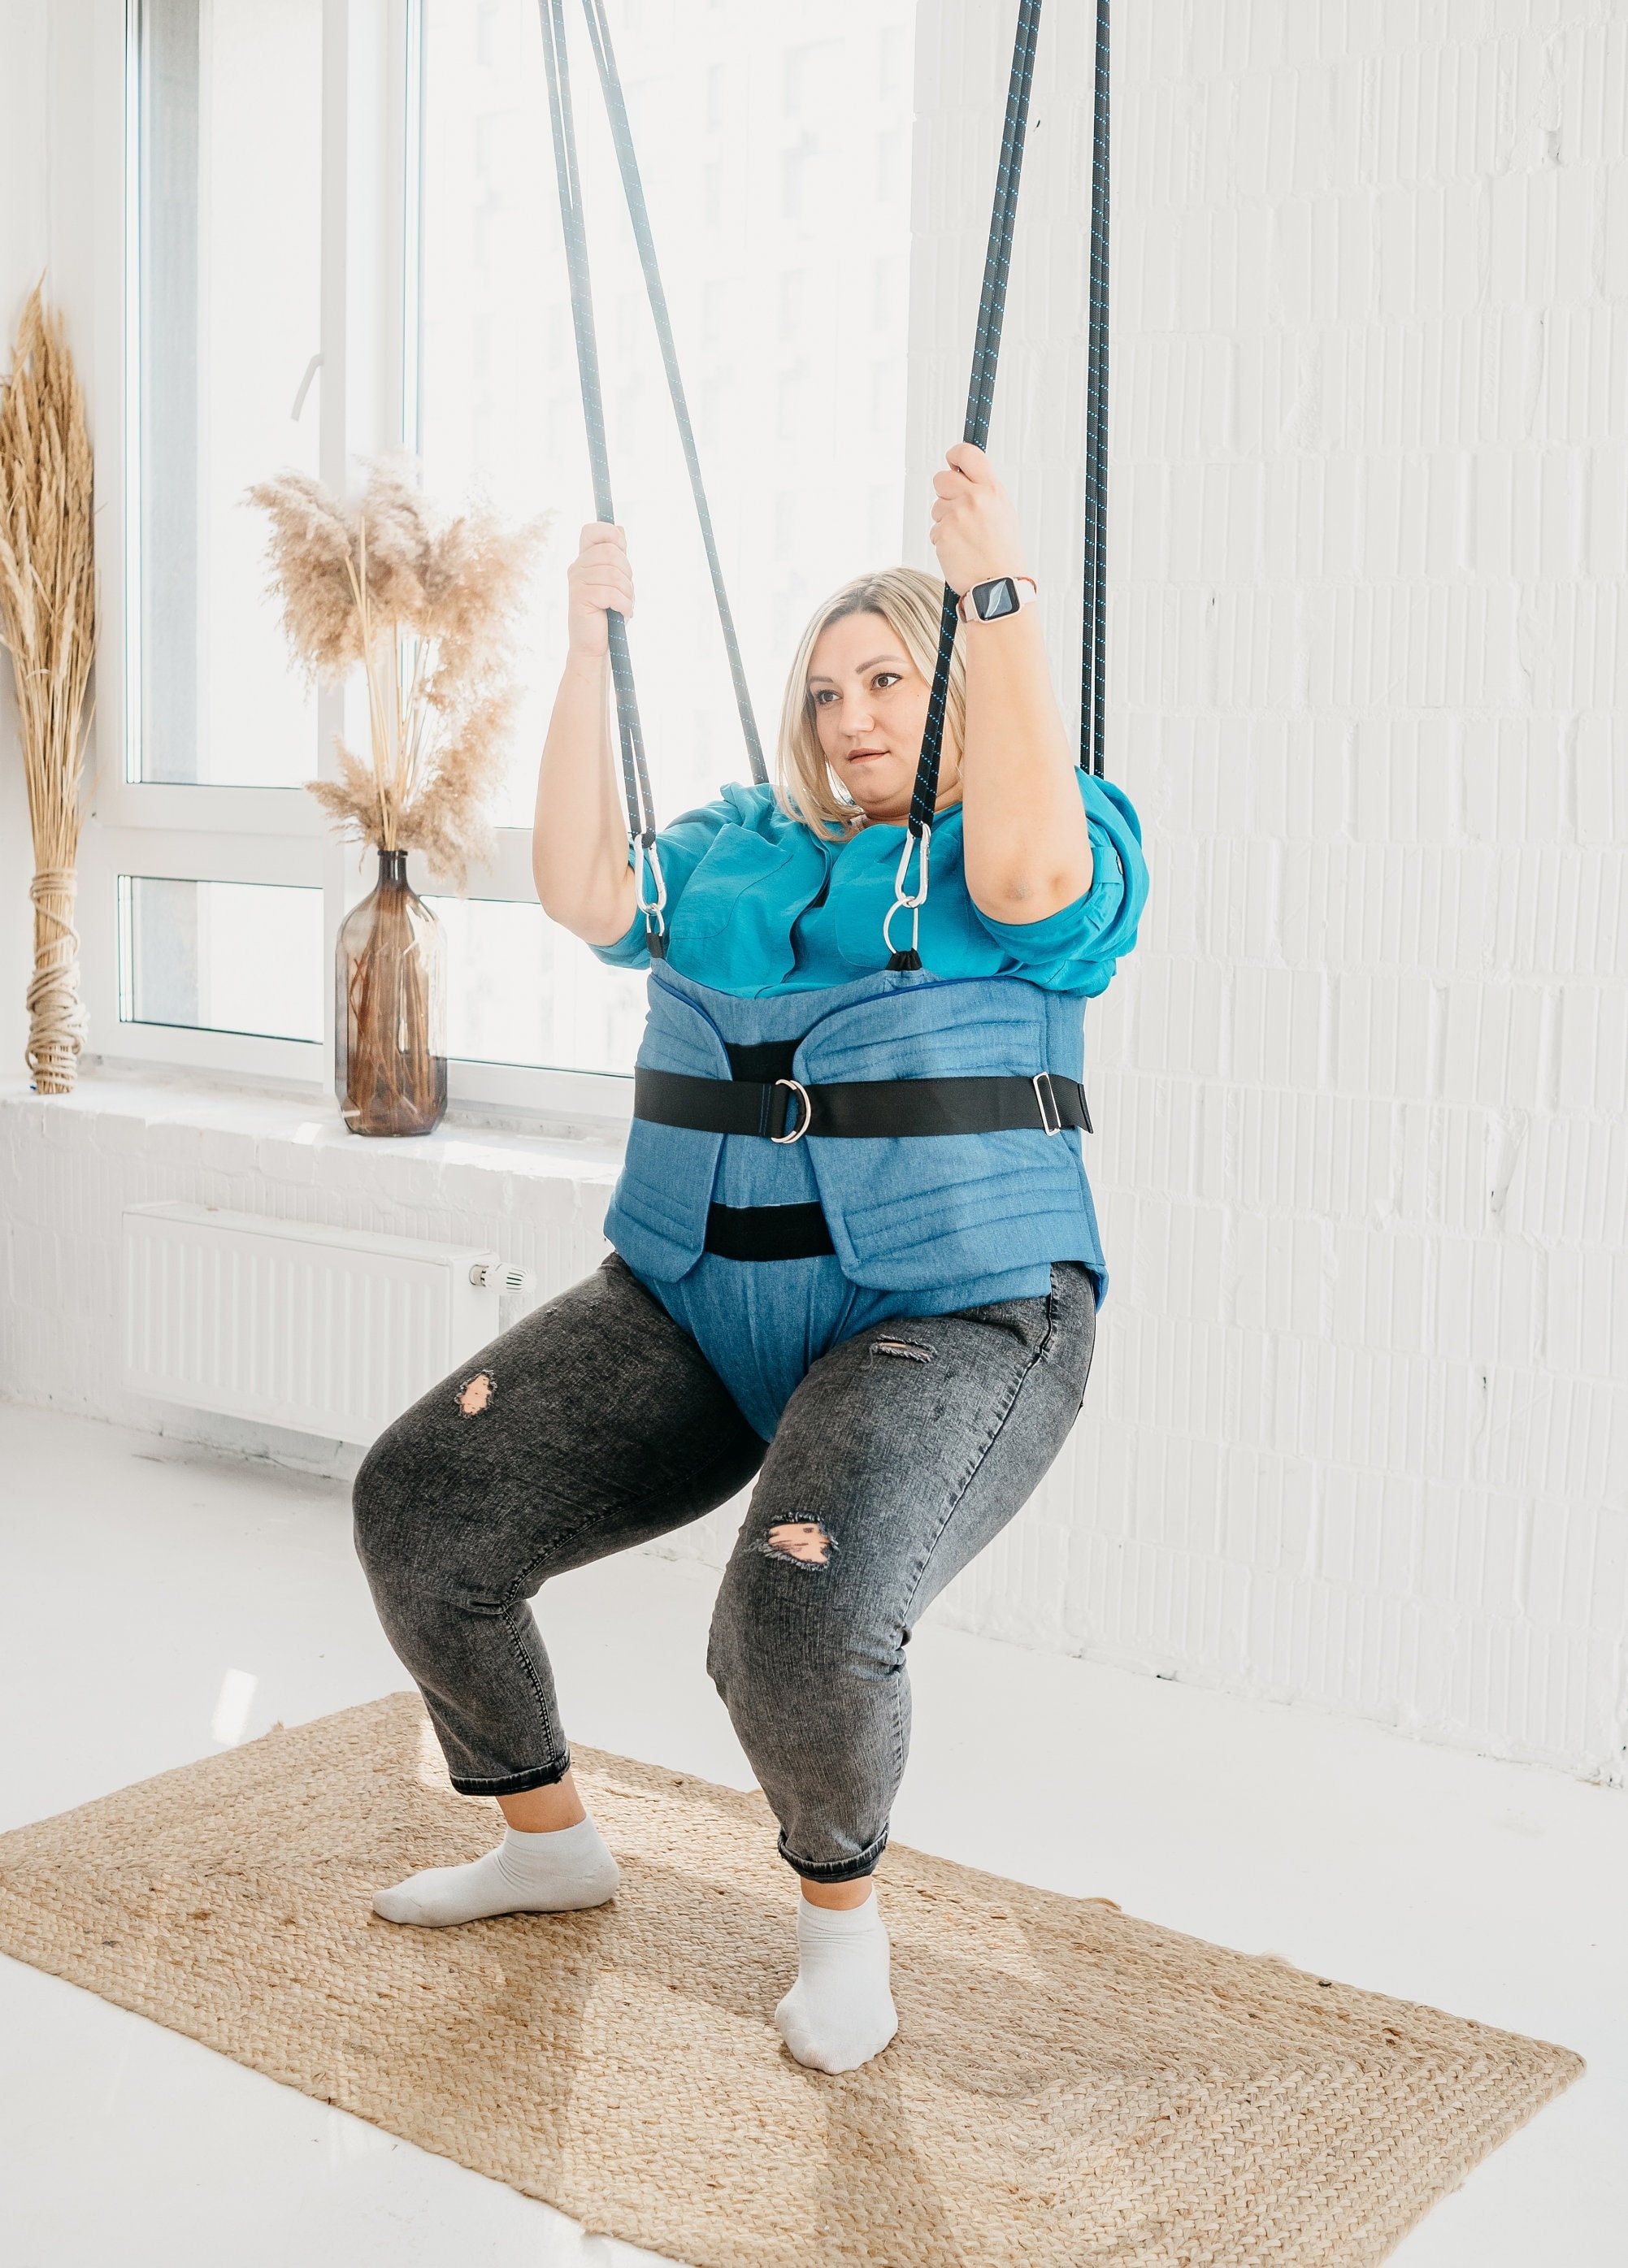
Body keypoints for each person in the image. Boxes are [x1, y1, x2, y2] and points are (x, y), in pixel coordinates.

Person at [352, 442, 1148, 2074]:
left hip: (963, 1312)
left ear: (953, 691)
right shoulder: (735, 850)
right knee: (420, 1505)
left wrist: (996, 591)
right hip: (694, 1303)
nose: (856, 711)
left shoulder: (1040, 839)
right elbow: (578, 882)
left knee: (789, 1620)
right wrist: (585, 647)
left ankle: (840, 1930)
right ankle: (544, 1836)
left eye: (890, 678)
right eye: (830, 685)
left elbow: (1026, 871)